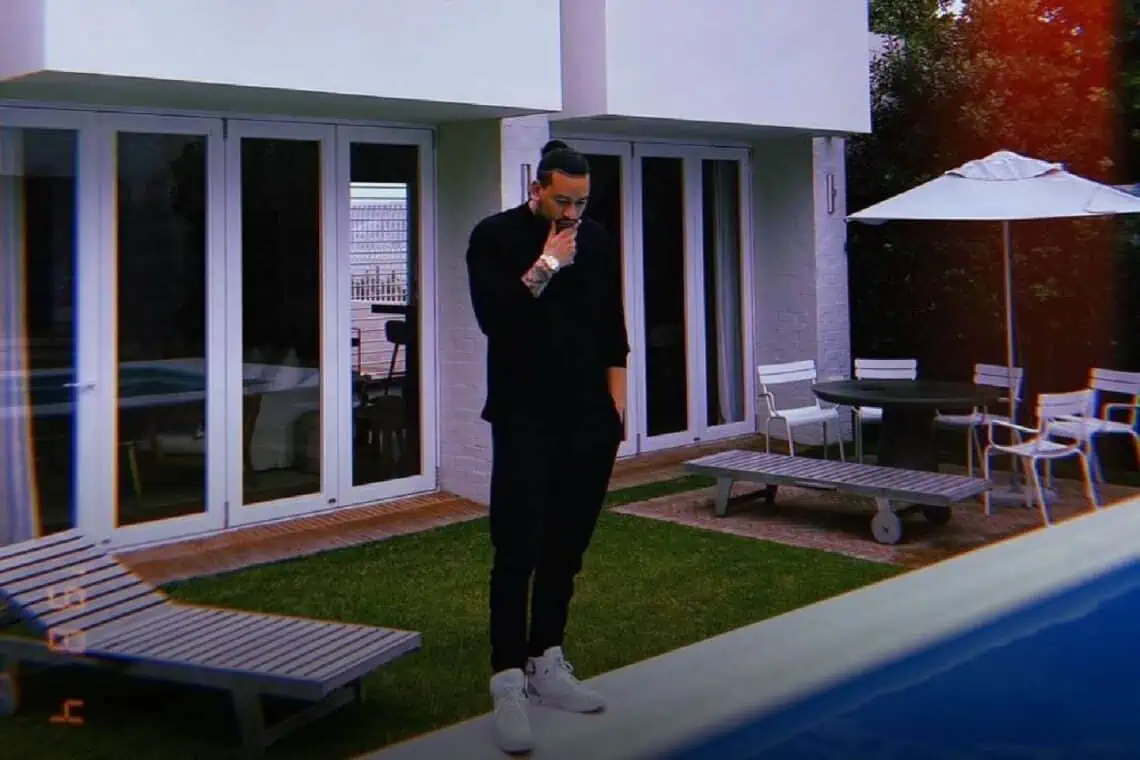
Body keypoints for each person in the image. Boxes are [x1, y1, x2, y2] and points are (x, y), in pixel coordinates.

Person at [466, 139, 629, 753]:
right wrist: (547, 264)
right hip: (524, 415)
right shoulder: (495, 237)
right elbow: (495, 318)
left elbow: (612, 327)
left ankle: (547, 660)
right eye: (563, 200)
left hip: (590, 419)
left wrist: (616, 409)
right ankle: (508, 679)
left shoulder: (599, 240)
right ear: (537, 189)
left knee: (567, 547)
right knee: (518, 546)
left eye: (582, 202)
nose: (573, 213)